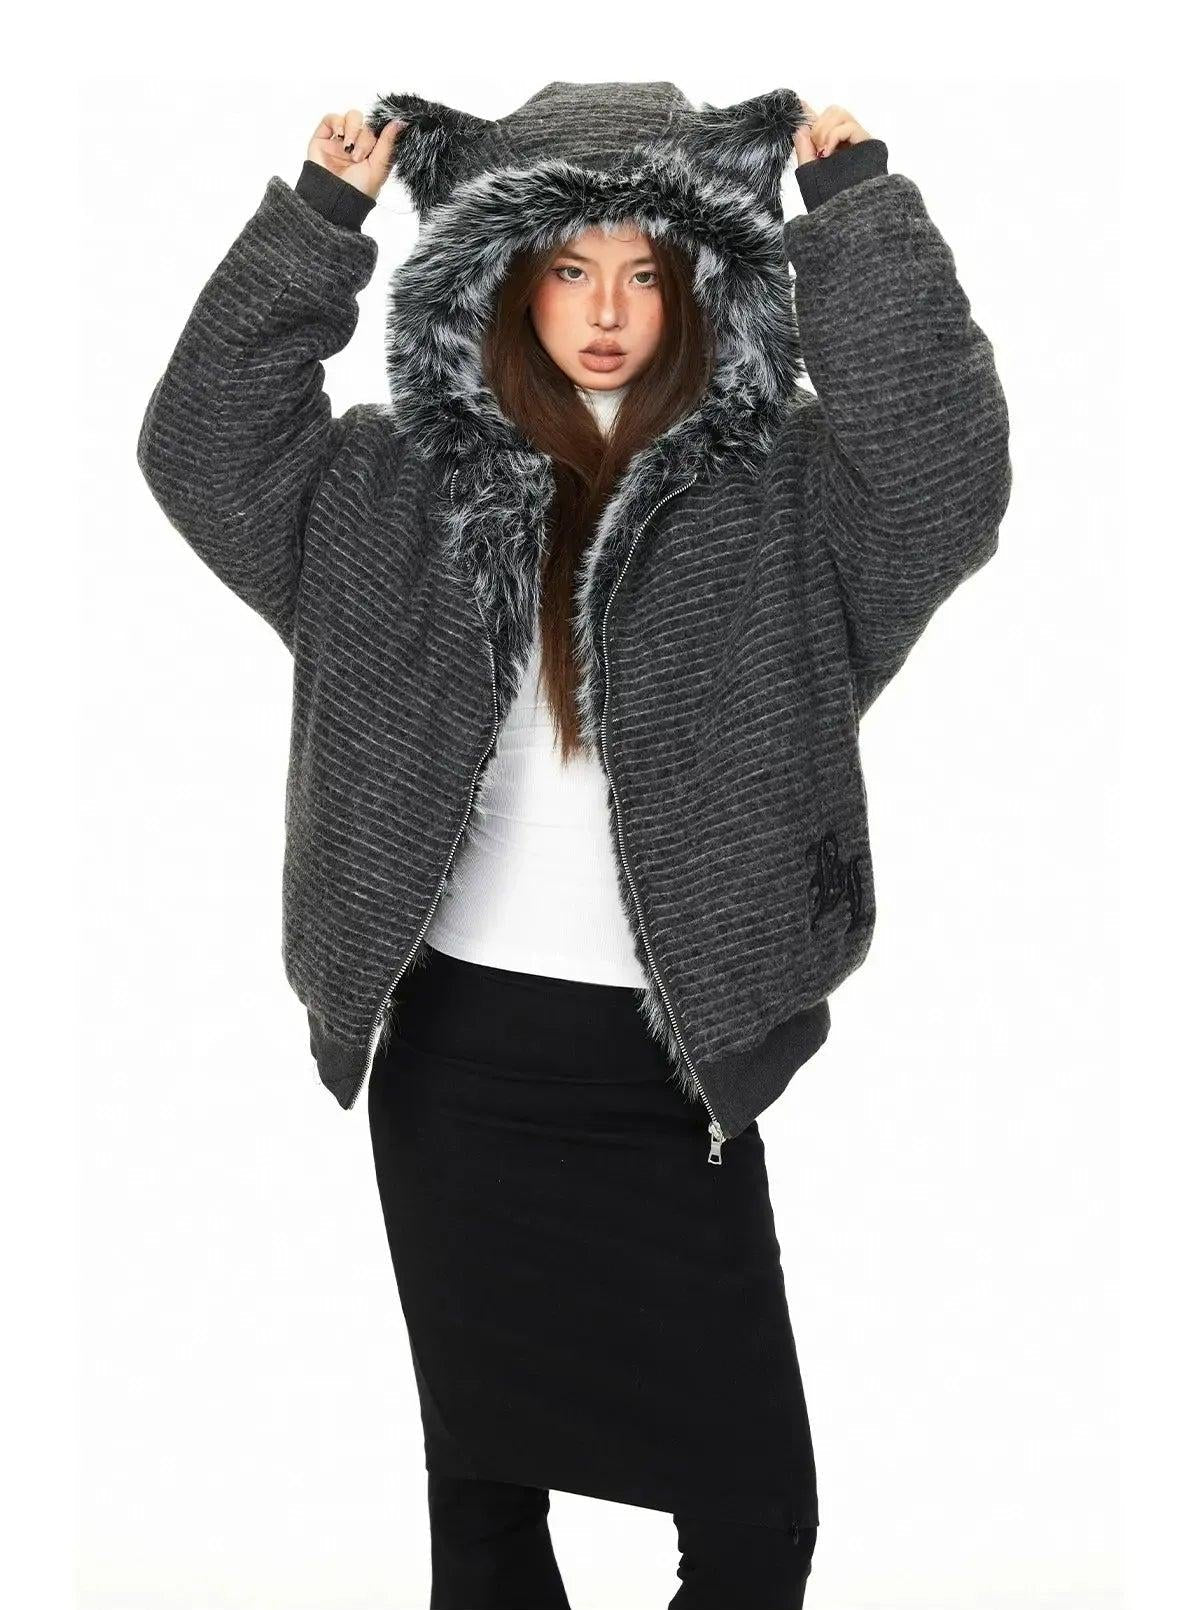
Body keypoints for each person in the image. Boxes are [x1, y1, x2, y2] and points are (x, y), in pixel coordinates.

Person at [136, 79, 1011, 1610]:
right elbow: (204, 444)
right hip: (457, 1068)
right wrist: (318, 225)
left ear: (702, 285)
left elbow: (945, 476)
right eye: (565, 265)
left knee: (754, 1522)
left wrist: (860, 227)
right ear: (498, 279)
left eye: (646, 269)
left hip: (680, 1072)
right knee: (484, 1515)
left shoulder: (789, 497)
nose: (607, 310)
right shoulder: (387, 487)